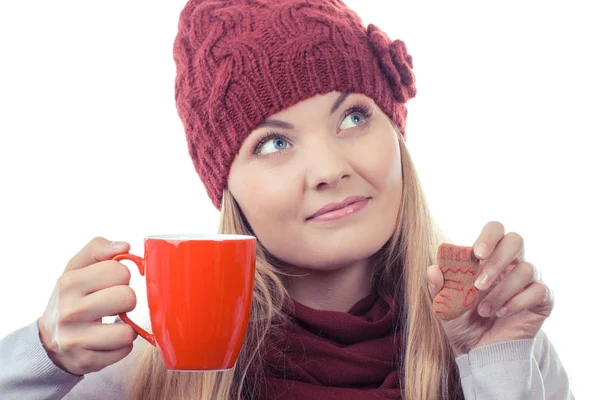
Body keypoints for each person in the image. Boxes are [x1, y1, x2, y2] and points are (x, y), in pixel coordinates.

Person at [0, 0, 574, 399]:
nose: (328, 168)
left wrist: (493, 366)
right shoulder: (137, 375)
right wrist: (40, 355)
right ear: (229, 188)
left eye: (354, 115)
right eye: (273, 142)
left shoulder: (502, 339)